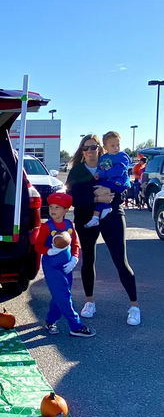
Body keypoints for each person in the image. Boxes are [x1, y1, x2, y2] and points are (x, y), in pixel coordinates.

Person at [66, 134, 140, 326]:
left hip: (112, 214)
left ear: (100, 149)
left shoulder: (110, 163)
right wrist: (96, 198)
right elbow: (72, 197)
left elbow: (123, 187)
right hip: (86, 218)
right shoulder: (77, 171)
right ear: (82, 151)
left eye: (93, 147)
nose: (90, 151)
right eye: (86, 148)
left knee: (120, 260)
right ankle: (89, 302)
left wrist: (110, 193)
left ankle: (134, 307)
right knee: (88, 259)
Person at [35, 193, 95, 338]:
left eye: (57, 207)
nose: (53, 210)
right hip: (52, 267)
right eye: (51, 207)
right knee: (64, 296)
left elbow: (75, 244)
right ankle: (76, 326)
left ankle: (50, 321)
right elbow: (38, 246)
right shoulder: (46, 227)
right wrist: (49, 251)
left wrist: (74, 258)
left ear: (66, 210)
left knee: (59, 295)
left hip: (67, 267)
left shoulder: (70, 225)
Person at [84, 131, 130, 228]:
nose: (116, 148)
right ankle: (95, 217)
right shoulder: (104, 158)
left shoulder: (121, 156)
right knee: (97, 189)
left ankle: (106, 207)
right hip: (109, 181)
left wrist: (102, 174)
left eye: (118, 145)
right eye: (112, 146)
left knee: (100, 189)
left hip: (119, 182)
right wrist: (98, 173)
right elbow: (100, 168)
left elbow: (119, 171)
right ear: (105, 147)